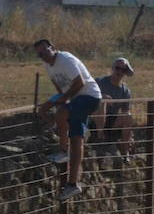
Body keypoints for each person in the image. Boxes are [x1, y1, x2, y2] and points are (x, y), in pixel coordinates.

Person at [34, 38, 103, 201]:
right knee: (76, 138)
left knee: (62, 116)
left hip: (89, 97)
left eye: (45, 51)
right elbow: (59, 87)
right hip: (76, 100)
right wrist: (56, 101)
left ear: (53, 47)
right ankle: (72, 184)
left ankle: (64, 150)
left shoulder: (65, 59)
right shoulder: (48, 65)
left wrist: (63, 101)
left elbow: (79, 83)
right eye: (39, 55)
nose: (43, 56)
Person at [95, 57, 135, 158]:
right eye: (118, 68)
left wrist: (130, 134)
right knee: (102, 102)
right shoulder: (100, 82)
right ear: (113, 68)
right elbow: (87, 96)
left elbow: (125, 112)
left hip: (112, 121)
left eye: (123, 70)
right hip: (95, 117)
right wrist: (101, 97)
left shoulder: (125, 90)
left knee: (128, 116)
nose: (120, 72)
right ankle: (100, 137)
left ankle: (124, 151)